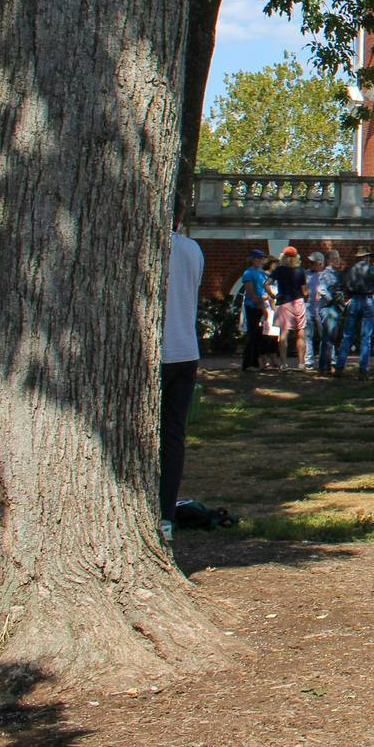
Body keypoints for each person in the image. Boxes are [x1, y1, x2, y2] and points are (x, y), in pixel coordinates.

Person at [160, 219, 205, 544]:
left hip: (159, 350)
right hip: (186, 350)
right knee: (174, 436)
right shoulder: (192, 248)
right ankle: (165, 516)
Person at [336, 246, 374, 379]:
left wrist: (345, 298)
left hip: (353, 300)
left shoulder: (349, 270)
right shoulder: (372, 269)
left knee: (347, 336)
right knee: (366, 337)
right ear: (367, 256)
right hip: (367, 300)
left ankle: (340, 367)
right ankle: (363, 370)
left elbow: (341, 285)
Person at [271, 246, 308, 373]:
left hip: (283, 302)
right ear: (296, 257)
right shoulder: (300, 271)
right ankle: (301, 363)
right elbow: (304, 291)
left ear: (283, 257)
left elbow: (266, 284)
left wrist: (273, 295)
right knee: (300, 332)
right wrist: (306, 297)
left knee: (283, 334)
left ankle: (284, 364)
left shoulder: (279, 270)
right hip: (298, 302)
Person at [238, 249, 271, 372]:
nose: (260, 261)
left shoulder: (261, 273)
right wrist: (261, 304)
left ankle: (256, 363)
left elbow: (265, 288)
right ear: (252, 259)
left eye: (262, 259)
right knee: (251, 336)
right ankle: (247, 363)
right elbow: (251, 293)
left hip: (262, 305)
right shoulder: (248, 273)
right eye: (258, 258)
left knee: (258, 336)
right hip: (253, 306)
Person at [304, 250, 336, 373]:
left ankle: (331, 360)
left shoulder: (328, 274)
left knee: (326, 336)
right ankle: (309, 362)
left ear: (320, 263)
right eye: (310, 262)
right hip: (308, 308)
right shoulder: (306, 274)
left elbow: (333, 291)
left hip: (323, 309)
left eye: (313, 262)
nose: (310, 264)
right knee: (308, 336)